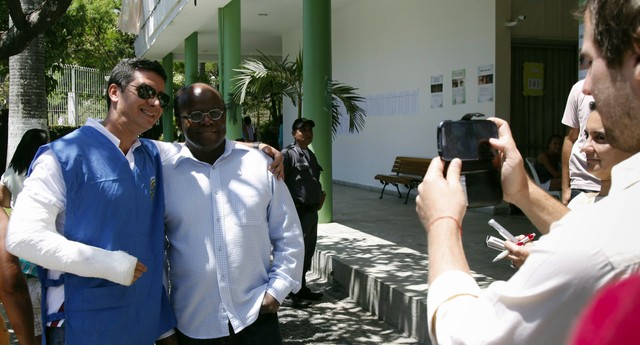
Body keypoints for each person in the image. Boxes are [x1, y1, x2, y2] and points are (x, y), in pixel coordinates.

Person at [416, 1, 640, 343]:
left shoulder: (605, 243)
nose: (588, 87)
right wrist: (523, 191)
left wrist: (441, 223)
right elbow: (588, 235)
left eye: (590, 62)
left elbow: (469, 336)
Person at [6, 57, 177, 345]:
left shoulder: (149, 154)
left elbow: (200, 150)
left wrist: (258, 148)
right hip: (82, 321)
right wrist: (107, 264)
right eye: (147, 92)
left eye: (163, 97)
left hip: (140, 319)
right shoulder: (62, 156)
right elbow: (23, 238)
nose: (157, 103)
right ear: (114, 92)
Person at [158, 83, 304, 344]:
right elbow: (156, 253)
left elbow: (289, 233)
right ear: (180, 121)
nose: (207, 121)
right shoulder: (164, 173)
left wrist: (278, 289)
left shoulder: (261, 166)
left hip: (256, 317)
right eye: (195, 115)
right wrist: (164, 328)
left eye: (215, 113)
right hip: (192, 324)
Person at [506, 105, 633, 268]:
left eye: (600, 138)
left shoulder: (631, 209)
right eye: (585, 136)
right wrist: (533, 251)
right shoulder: (580, 203)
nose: (584, 147)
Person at [0, 128, 49, 344]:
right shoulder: (46, 170)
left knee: (34, 322)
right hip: (43, 246)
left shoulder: (11, 172)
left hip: (22, 249)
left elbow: (3, 200)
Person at [281, 118, 326, 308]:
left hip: (310, 212)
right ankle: (289, 293)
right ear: (294, 133)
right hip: (296, 212)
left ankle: (302, 287)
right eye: (302, 130)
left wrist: (320, 197)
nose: (307, 133)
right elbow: (278, 182)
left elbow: (313, 178)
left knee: (308, 251)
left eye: (309, 130)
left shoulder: (310, 155)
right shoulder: (287, 155)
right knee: (295, 252)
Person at [561, 79, 600, 204]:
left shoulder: (630, 88)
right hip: (581, 184)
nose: (587, 147)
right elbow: (570, 138)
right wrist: (565, 188)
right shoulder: (579, 89)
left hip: (618, 185)